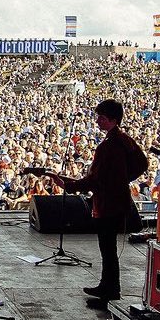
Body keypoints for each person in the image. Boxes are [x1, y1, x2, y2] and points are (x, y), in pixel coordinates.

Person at [46, 99, 140, 301]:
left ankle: (111, 290)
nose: (97, 121)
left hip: (108, 204)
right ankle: (107, 286)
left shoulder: (108, 147)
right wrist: (122, 179)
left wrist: (69, 185)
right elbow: (142, 163)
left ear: (113, 120)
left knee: (108, 249)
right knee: (109, 249)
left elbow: (95, 180)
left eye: (102, 118)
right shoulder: (125, 140)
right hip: (118, 200)